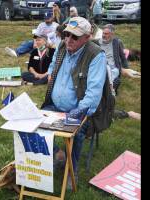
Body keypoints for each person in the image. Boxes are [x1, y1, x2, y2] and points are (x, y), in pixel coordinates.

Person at [41, 17, 107, 189]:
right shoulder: (63, 45)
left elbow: (93, 94)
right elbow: (53, 64)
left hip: (79, 108)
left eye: (74, 37)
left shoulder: (96, 55)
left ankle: (72, 170)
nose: (68, 39)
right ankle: (58, 154)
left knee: (76, 134)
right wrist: (50, 73)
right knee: (34, 126)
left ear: (87, 37)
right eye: (66, 34)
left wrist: (76, 113)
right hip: (54, 105)